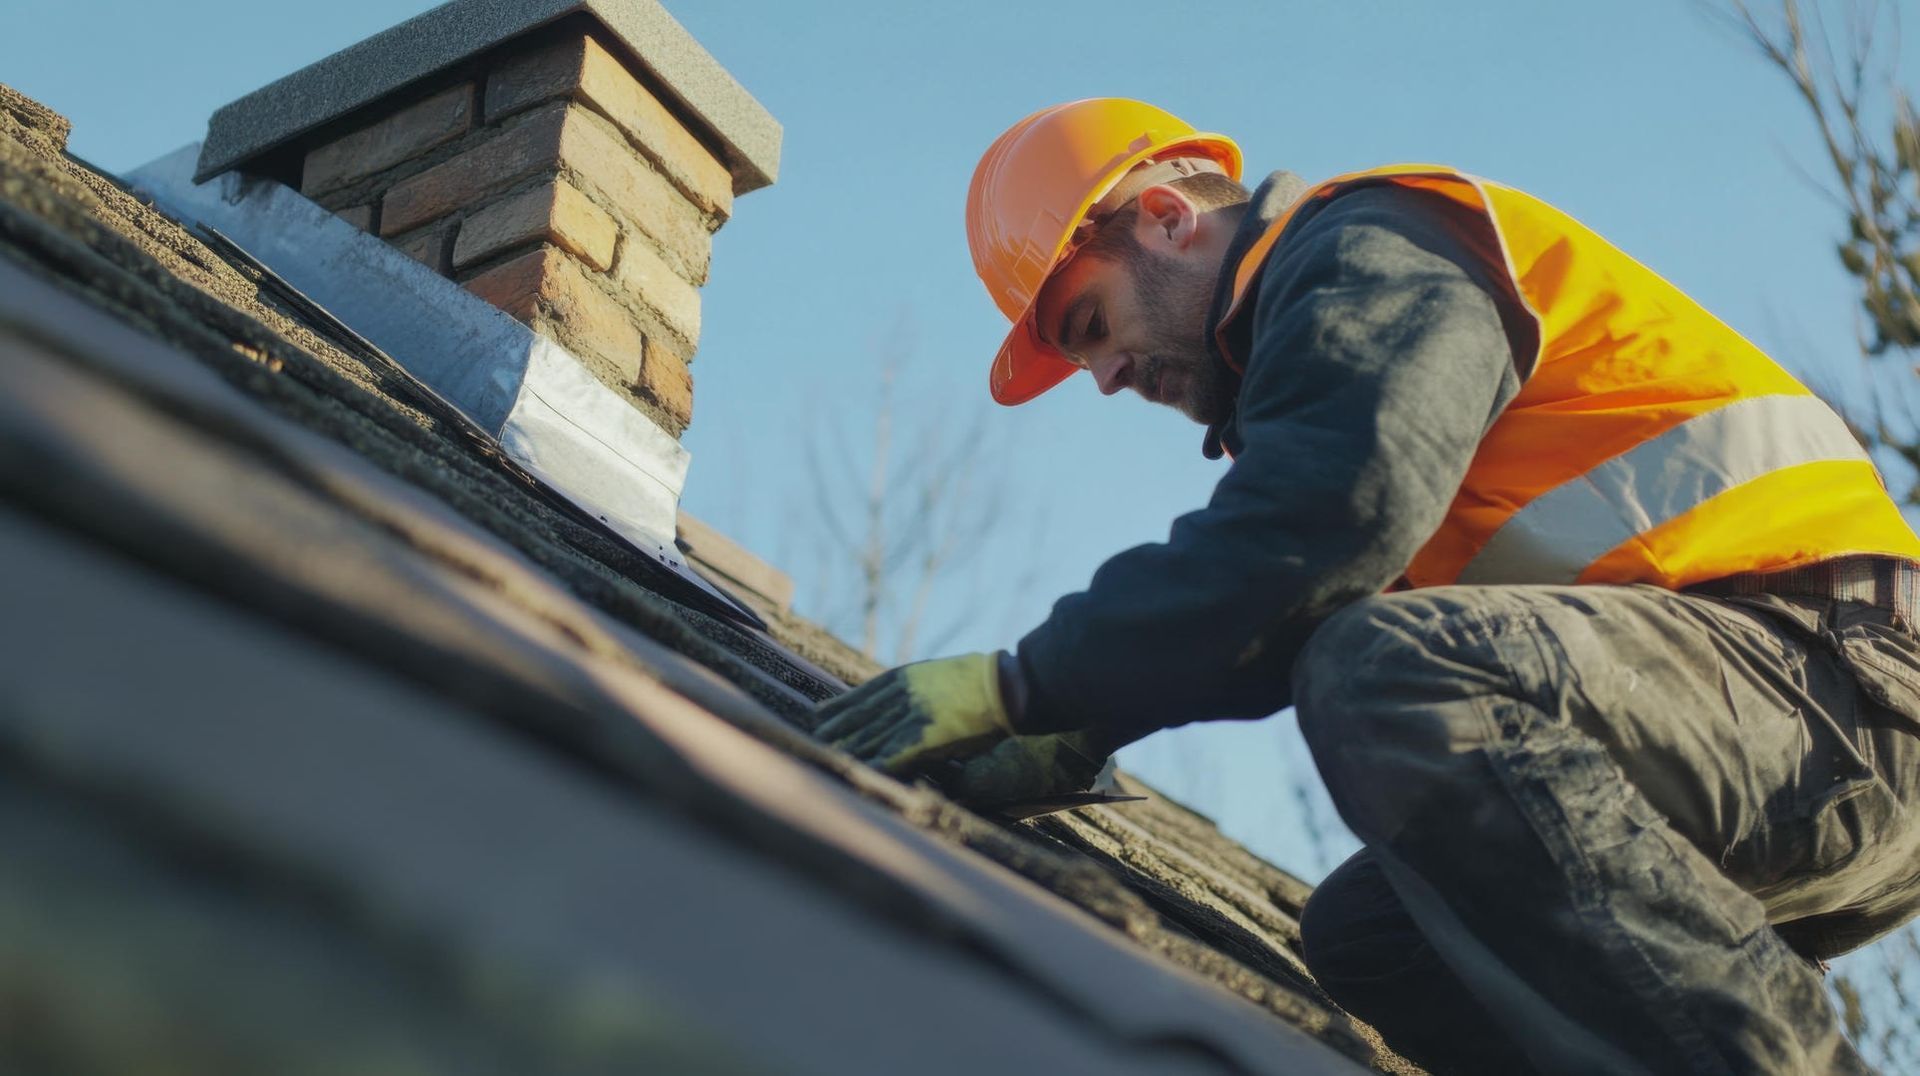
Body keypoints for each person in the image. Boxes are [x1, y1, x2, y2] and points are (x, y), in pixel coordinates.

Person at [812, 97, 1920, 1074]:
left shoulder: (1369, 244)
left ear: (1162, 214)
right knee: (1377, 938)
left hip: (1845, 690)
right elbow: (1280, 592)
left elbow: (1332, 514)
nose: (1103, 379)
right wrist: (1083, 718)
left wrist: (1023, 684)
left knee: (1387, 669)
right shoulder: (1316, 383)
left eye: (1091, 325)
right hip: (1735, 744)